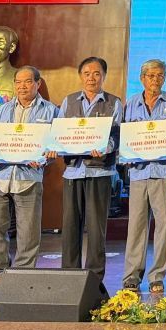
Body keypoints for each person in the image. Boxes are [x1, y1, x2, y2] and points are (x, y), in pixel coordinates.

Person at [0, 66, 58, 290]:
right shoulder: (2, 111)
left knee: (28, 230)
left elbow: (54, 148)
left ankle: (23, 273)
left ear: (38, 83)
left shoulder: (51, 111)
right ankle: (0, 273)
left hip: (29, 177)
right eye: (18, 82)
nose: (22, 86)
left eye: (27, 82)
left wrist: (46, 158)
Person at [47, 57, 122, 284]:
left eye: (97, 73)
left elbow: (117, 136)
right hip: (73, 172)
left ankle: (94, 279)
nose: (92, 78)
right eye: (87, 73)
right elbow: (58, 133)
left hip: (100, 173)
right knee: (70, 227)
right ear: (81, 76)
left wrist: (105, 147)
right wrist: (54, 148)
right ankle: (69, 278)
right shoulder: (69, 102)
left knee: (96, 229)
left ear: (104, 76)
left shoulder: (114, 102)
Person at [121, 59, 166, 294]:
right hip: (138, 173)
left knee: (163, 227)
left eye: (160, 75)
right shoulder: (131, 104)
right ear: (142, 78)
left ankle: (157, 276)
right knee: (136, 226)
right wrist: (126, 151)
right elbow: (125, 136)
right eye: (151, 76)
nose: (156, 80)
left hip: (164, 172)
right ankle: (132, 276)